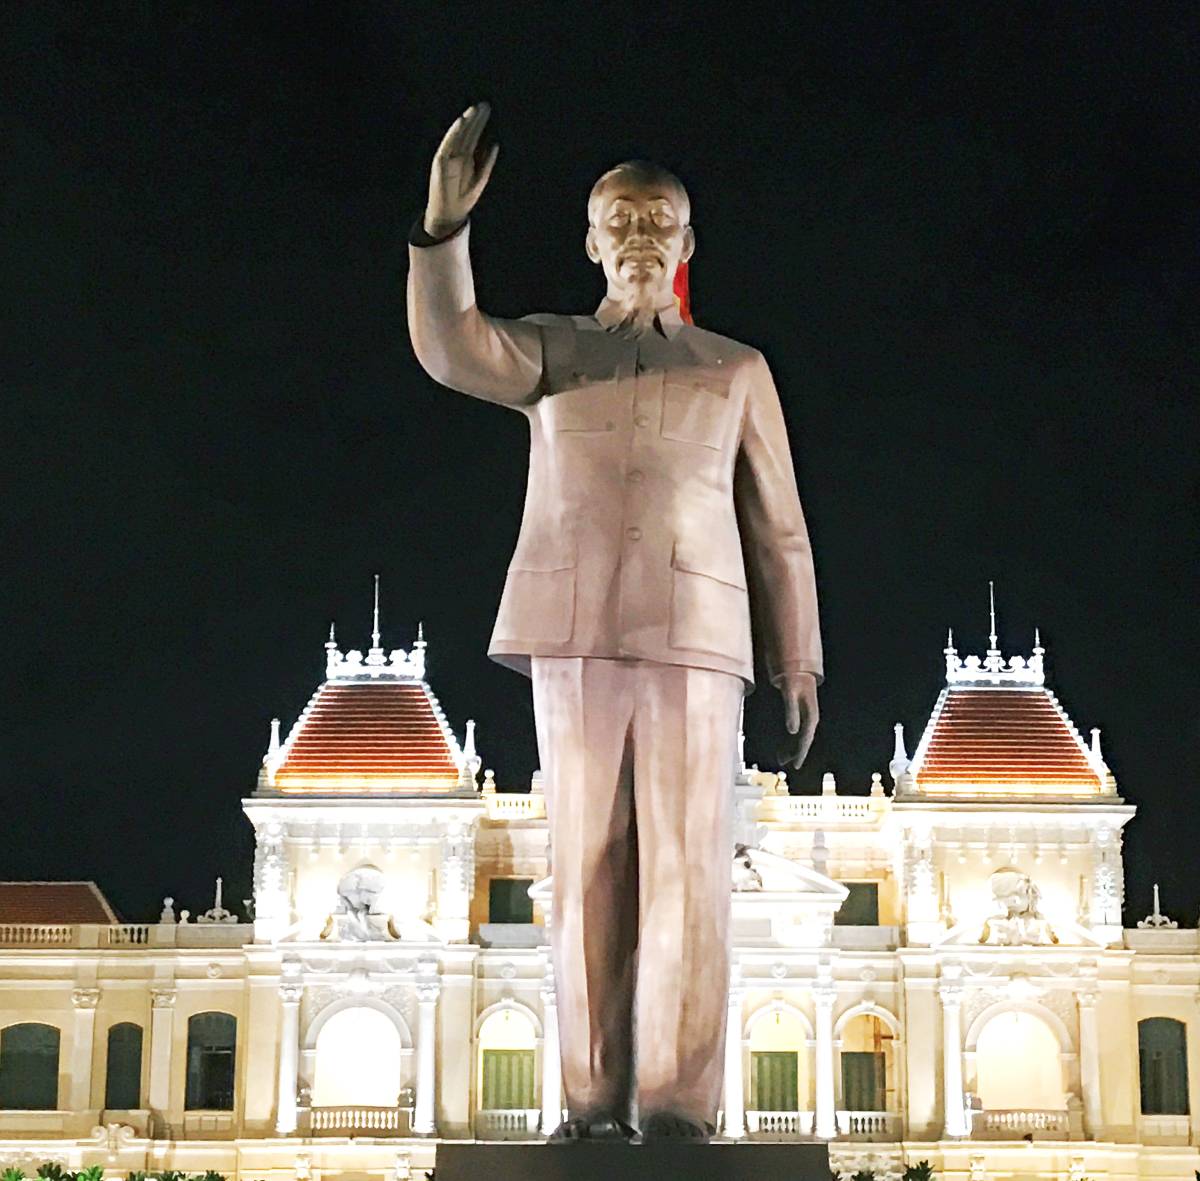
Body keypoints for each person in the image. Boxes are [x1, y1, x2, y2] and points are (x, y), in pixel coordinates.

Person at [407, 103, 822, 1142]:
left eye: (660, 220)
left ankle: (681, 1104)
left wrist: (799, 655)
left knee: (690, 861)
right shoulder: (548, 354)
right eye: (620, 220)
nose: (640, 236)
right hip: (576, 626)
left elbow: (781, 529)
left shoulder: (734, 369)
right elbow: (453, 347)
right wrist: (442, 235)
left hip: (700, 632)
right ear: (592, 241)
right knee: (587, 860)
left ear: (686, 244)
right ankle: (591, 1104)